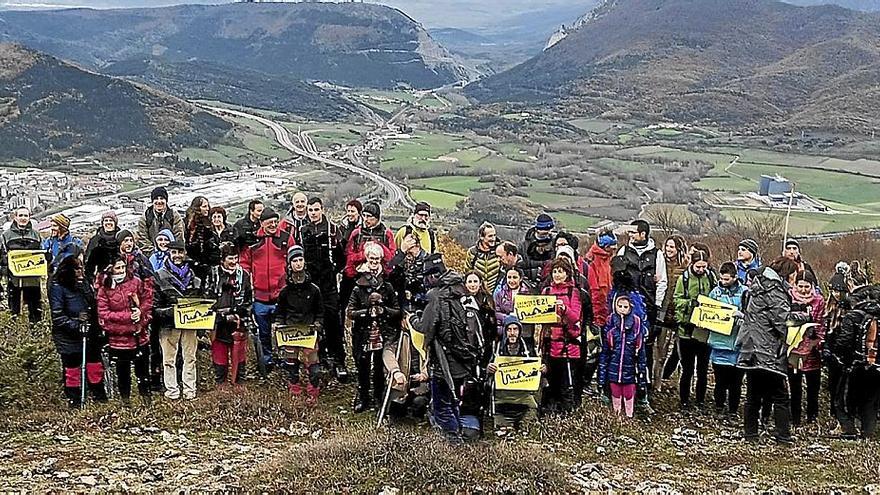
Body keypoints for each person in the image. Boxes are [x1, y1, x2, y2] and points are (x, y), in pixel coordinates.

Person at [408, 255, 483, 442]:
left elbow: (426, 327)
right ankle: (458, 434)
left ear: (434, 276)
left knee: (442, 405)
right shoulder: (462, 291)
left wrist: (412, 318)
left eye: (427, 276)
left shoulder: (436, 297)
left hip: (444, 361)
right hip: (464, 360)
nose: (425, 280)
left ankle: (453, 443)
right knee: (452, 400)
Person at [737, 257, 810, 444]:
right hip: (767, 349)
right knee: (780, 395)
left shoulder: (759, 285)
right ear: (787, 273)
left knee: (753, 394)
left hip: (751, 346)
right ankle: (783, 436)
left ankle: (750, 435)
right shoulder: (774, 289)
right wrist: (803, 317)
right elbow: (782, 321)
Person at [299, 197, 348, 382]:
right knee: (313, 321)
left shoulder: (333, 230)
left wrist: (334, 270)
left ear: (322, 210)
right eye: (310, 210)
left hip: (328, 283)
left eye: (316, 209)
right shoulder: (303, 230)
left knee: (333, 321)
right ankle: (319, 356)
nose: (313, 213)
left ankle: (339, 359)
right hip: (311, 283)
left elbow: (342, 257)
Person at [348, 242, 400, 413]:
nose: (374, 262)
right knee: (362, 366)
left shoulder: (388, 285)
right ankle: (363, 396)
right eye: (371, 259)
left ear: (381, 260)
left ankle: (378, 397)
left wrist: (384, 311)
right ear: (367, 259)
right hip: (363, 333)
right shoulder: (358, 286)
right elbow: (350, 312)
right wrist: (366, 312)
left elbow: (397, 310)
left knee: (379, 367)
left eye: (377, 259)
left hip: (382, 332)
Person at [49, 255, 107, 408]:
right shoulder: (57, 286)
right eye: (77, 268)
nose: (81, 271)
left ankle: (99, 397)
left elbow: (93, 304)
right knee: (72, 369)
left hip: (90, 332)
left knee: (95, 365)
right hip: (68, 336)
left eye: (81, 267)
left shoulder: (85, 283)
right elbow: (57, 316)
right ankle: (74, 400)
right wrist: (76, 324)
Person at [96, 254, 153, 406]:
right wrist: (128, 317)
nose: (121, 271)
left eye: (123, 267)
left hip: (139, 335)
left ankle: (146, 400)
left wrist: (141, 313)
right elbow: (104, 314)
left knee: (143, 370)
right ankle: (125, 401)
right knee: (123, 372)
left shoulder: (136, 282)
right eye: (117, 268)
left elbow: (147, 301)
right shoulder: (104, 289)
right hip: (118, 338)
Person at [152, 240, 205, 400]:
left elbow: (202, 301)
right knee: (169, 359)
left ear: (184, 253)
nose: (177, 255)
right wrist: (172, 312)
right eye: (174, 252)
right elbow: (154, 307)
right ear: (169, 253)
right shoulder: (159, 276)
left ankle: (190, 390)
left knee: (190, 357)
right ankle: (172, 391)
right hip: (168, 325)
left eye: (180, 252)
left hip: (190, 323)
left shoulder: (194, 277)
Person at [826, 285, 880, 439]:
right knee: (871, 401)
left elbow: (844, 342)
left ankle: (848, 428)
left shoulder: (854, 316)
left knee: (844, 398)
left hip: (856, 365)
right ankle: (867, 432)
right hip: (876, 365)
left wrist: (838, 357)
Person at [617, 220, 667, 380]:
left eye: (633, 232)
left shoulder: (657, 255)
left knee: (645, 347)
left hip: (648, 307)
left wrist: (657, 307)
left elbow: (662, 282)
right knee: (626, 344)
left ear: (643, 234)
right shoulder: (623, 251)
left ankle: (645, 384)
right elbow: (616, 278)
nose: (630, 235)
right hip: (626, 306)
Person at [240, 208, 290, 368]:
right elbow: (244, 263)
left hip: (281, 294)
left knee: (283, 329)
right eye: (270, 223)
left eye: (276, 222)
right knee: (264, 331)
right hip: (260, 295)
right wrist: (248, 279)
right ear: (262, 223)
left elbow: (294, 259)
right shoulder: (253, 240)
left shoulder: (285, 238)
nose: (274, 225)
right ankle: (267, 359)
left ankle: (286, 358)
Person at [275, 245, 324, 400]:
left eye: (300, 260)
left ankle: (313, 393)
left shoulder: (314, 290)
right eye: (294, 261)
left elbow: (320, 312)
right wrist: (279, 326)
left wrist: (318, 324)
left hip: (309, 332)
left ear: (304, 262)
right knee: (291, 365)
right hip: (290, 332)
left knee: (314, 367)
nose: (298, 263)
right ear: (290, 264)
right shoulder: (284, 291)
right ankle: (295, 392)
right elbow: (280, 313)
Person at [204, 242, 253, 386]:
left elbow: (250, 299)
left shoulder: (243, 275)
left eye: (235, 258)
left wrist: (239, 312)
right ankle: (222, 387)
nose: (233, 262)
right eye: (230, 258)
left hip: (239, 321)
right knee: (220, 358)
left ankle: (239, 386)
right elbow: (207, 299)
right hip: (219, 323)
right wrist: (221, 315)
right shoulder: (213, 275)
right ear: (222, 259)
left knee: (240, 357)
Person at [673, 250, 716, 411]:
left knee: (703, 369)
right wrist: (691, 304)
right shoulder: (683, 279)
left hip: (704, 329)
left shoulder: (711, 277)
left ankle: (700, 400)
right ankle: (684, 400)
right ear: (692, 264)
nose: (701, 269)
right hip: (687, 330)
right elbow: (677, 300)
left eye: (704, 266)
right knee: (687, 369)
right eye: (698, 266)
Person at [116, 229, 157, 389]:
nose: (128, 244)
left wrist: (143, 309)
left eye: (130, 240)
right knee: (122, 360)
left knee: (143, 353)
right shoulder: (114, 261)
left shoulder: (141, 259)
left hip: (139, 311)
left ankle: (145, 388)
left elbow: (150, 283)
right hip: (119, 314)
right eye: (125, 241)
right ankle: (124, 392)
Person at [541, 257, 583, 414]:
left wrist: (564, 309)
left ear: (567, 274)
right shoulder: (546, 292)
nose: (557, 275)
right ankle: (550, 413)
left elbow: (576, 317)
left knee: (566, 383)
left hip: (568, 345)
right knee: (550, 382)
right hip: (550, 345)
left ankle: (567, 413)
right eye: (555, 272)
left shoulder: (574, 292)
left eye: (561, 272)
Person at [707, 262, 746, 419]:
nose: (723, 282)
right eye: (721, 279)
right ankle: (719, 407)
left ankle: (733, 410)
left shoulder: (744, 293)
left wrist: (741, 316)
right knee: (720, 381)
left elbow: (750, 313)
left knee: (735, 382)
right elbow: (708, 311)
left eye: (727, 279)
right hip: (719, 343)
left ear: (735, 277)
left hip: (737, 343)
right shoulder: (715, 293)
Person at [598, 295, 647, 418]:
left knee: (629, 391)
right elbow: (605, 353)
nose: (622, 309)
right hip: (613, 367)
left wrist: (641, 375)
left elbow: (641, 353)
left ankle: (629, 415)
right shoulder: (611, 326)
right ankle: (617, 415)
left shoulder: (636, 325)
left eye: (625, 306)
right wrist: (602, 376)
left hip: (630, 366)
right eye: (619, 306)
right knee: (615, 391)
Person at [787, 270, 826, 426]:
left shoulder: (819, 301)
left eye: (807, 287)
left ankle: (812, 416)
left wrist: (817, 342)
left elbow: (821, 323)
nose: (803, 290)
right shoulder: (789, 297)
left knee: (812, 386)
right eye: (800, 286)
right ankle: (795, 417)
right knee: (794, 386)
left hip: (812, 348)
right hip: (794, 347)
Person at [488, 315, 539, 431]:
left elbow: (536, 371)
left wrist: (542, 370)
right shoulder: (495, 348)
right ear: (505, 331)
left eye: (515, 329)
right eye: (509, 329)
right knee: (504, 434)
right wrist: (489, 368)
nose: (512, 333)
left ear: (519, 331)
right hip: (502, 403)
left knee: (528, 431)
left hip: (524, 402)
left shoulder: (528, 349)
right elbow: (485, 370)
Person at [343, 201, 396, 311]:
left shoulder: (387, 234)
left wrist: (378, 247)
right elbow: (349, 257)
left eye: (370, 217)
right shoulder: (357, 234)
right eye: (364, 216)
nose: (366, 219)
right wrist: (365, 254)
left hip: (382, 282)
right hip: (360, 281)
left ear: (377, 218)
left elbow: (391, 259)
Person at [1, 206, 44, 323]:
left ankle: (35, 332)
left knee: (35, 308)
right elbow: (2, 255)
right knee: (14, 309)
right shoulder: (6, 235)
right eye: (20, 215)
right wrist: (6, 270)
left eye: (26, 215)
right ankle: (15, 332)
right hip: (14, 279)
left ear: (29, 217)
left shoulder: (36, 235)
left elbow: (42, 253)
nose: (23, 218)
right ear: (15, 217)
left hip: (32, 279)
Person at [656, 235, 688, 390]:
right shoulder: (659, 262)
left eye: (672, 247)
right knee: (660, 350)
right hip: (663, 310)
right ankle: (657, 383)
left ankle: (679, 384)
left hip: (678, 312)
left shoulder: (686, 265)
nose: (669, 249)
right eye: (667, 246)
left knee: (681, 352)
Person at [823, 272, 850, 423]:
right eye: (833, 291)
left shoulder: (849, 308)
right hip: (832, 349)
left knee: (844, 385)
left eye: (838, 291)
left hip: (846, 350)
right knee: (833, 384)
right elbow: (828, 329)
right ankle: (834, 411)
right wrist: (826, 346)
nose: (835, 294)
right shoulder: (830, 307)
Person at [136, 186, 184, 256]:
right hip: (151, 255)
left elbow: (179, 236)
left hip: (172, 254)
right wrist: (155, 253)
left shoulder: (174, 216)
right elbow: (143, 239)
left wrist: (170, 252)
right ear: (152, 201)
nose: (159, 201)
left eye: (162, 198)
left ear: (166, 201)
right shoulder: (145, 218)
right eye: (156, 199)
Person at [586, 231, 617, 332]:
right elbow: (594, 292)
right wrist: (596, 317)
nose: (614, 249)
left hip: (611, 310)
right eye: (611, 247)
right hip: (598, 312)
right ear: (605, 246)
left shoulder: (611, 259)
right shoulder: (592, 261)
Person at [494, 267, 533, 338]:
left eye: (514, 277)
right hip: (506, 331)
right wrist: (509, 318)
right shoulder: (500, 294)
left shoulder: (529, 293)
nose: (511, 280)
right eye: (509, 277)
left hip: (524, 332)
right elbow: (497, 312)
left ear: (520, 278)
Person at [520, 214, 556, 288]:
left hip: (549, 287)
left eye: (550, 230)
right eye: (545, 230)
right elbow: (519, 266)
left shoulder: (554, 244)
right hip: (527, 287)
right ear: (537, 230)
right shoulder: (524, 246)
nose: (548, 233)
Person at [84, 211, 120, 283]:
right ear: (102, 223)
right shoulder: (95, 240)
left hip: (120, 273)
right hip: (101, 277)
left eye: (111, 220)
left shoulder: (120, 237)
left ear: (115, 223)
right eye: (106, 221)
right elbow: (88, 261)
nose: (108, 223)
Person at [466, 222, 502, 294]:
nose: (493, 239)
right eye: (490, 236)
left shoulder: (499, 251)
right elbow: (467, 272)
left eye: (494, 235)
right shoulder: (473, 252)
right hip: (478, 294)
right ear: (482, 237)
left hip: (497, 293)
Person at [184, 196, 212, 281]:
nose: (207, 209)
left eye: (207, 206)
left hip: (206, 261)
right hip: (191, 261)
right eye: (204, 206)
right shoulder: (187, 223)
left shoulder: (209, 222)